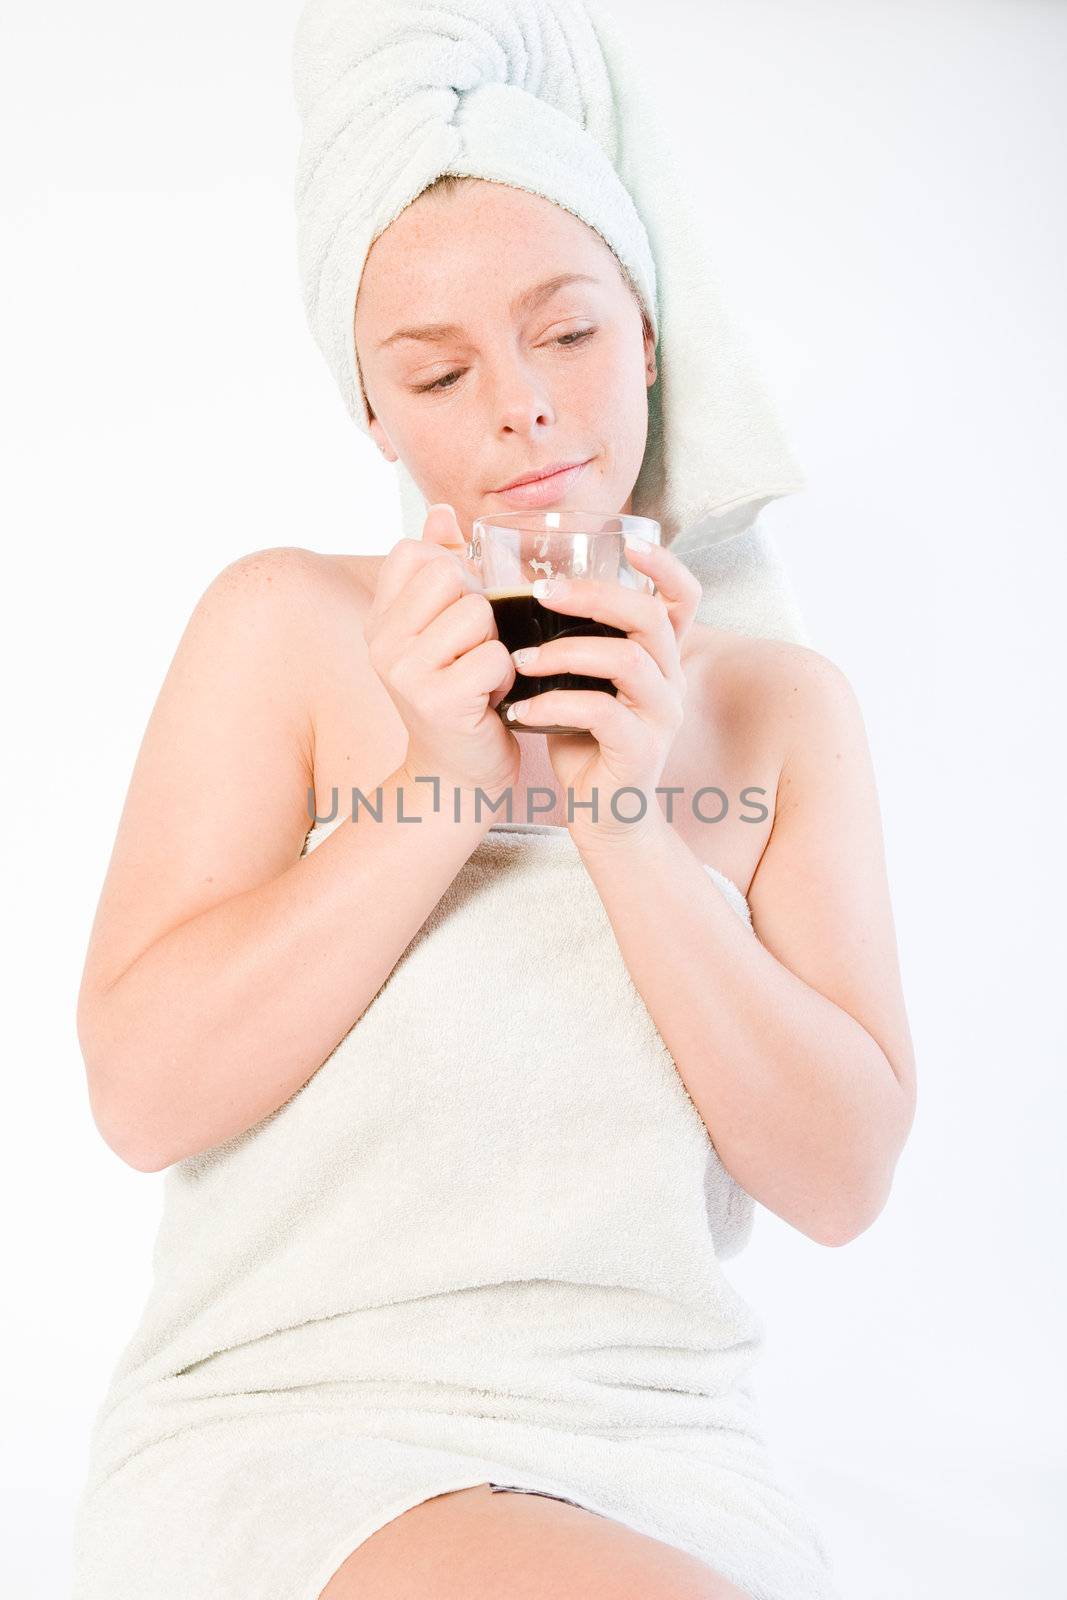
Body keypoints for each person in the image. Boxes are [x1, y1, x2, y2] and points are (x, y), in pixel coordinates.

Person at [71, 10, 917, 1600]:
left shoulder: (776, 712)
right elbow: (143, 1098)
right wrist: (442, 792)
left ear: (651, 338)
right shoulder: (285, 631)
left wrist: (623, 820)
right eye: (440, 372)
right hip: (297, 1428)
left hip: (661, 1452)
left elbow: (843, 1178)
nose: (522, 406)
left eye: (571, 334)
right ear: (375, 421)